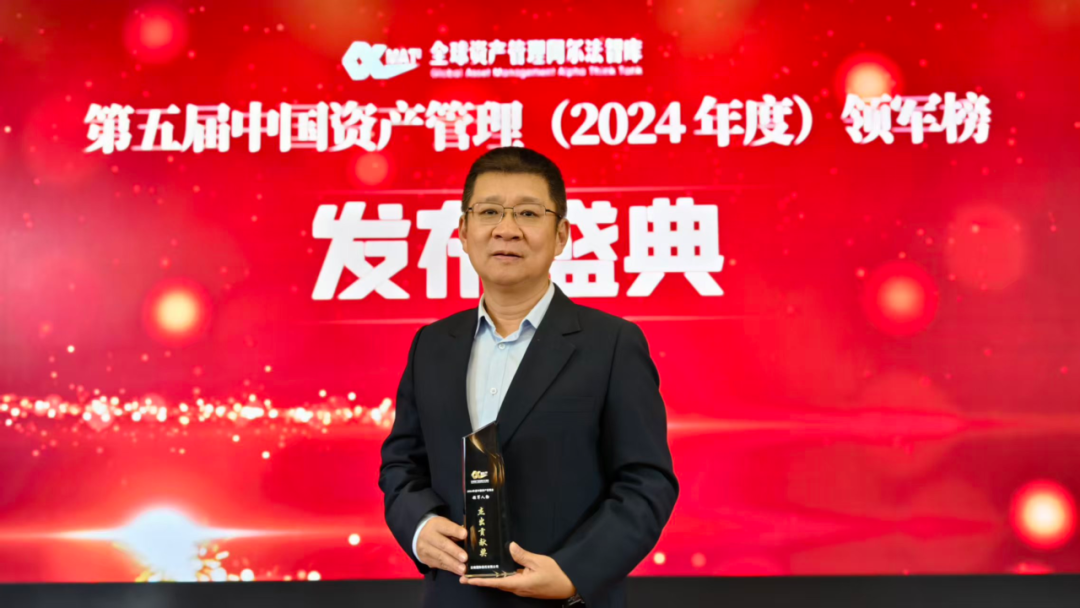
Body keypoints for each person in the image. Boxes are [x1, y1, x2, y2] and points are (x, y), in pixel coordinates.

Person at [379, 147, 678, 607]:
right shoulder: (432, 345)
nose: (506, 229)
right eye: (489, 212)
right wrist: (419, 526)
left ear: (561, 235)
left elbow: (646, 482)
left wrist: (575, 572)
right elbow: (401, 465)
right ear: (463, 231)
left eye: (528, 213)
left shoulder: (612, 344)